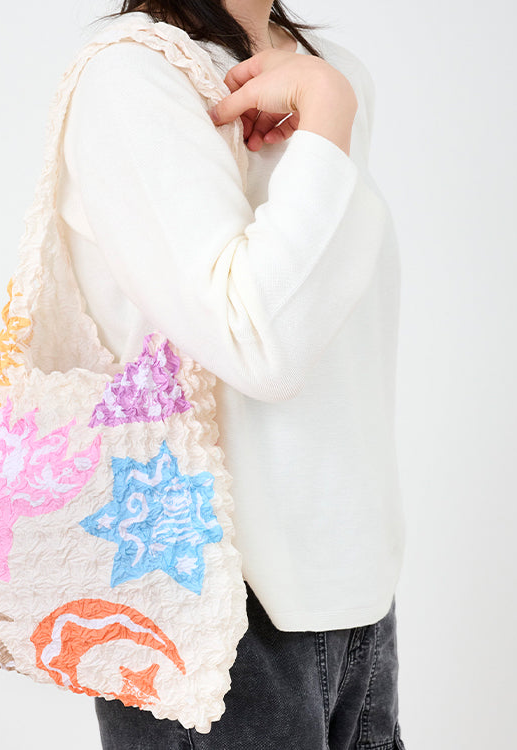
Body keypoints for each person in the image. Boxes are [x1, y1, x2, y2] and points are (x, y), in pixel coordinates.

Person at [57, 1, 407, 748]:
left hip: (351, 588)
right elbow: (258, 345)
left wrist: (327, 99)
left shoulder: (328, 72)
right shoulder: (135, 73)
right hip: (210, 596)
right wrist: (327, 112)